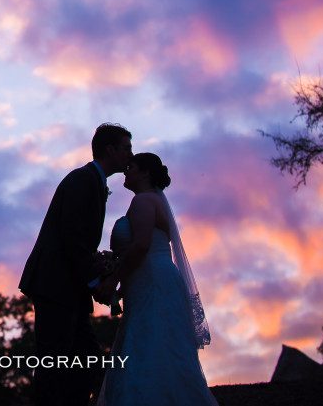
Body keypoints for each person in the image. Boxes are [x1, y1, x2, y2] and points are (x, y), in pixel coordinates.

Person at [19, 123, 134, 406]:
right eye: (126, 148)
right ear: (111, 150)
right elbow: (72, 238)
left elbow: (78, 240)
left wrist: (98, 264)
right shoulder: (82, 180)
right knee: (56, 363)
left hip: (69, 287)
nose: (131, 154)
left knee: (85, 360)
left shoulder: (93, 182)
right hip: (56, 285)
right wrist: (96, 282)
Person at [93, 152, 218, 406]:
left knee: (150, 347)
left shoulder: (143, 201)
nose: (126, 172)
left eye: (132, 168)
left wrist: (113, 279)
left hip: (152, 280)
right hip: (151, 279)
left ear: (145, 173)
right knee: (154, 345)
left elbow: (140, 246)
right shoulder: (151, 201)